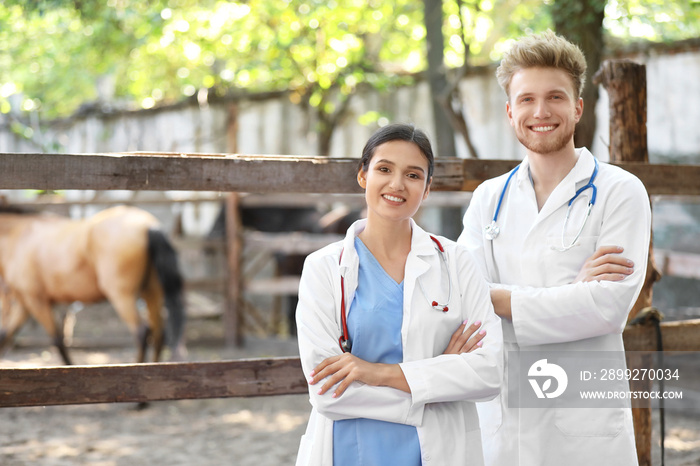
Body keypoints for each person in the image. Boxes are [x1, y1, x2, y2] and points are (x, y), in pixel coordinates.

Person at [457, 31, 651, 465]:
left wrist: (502, 299)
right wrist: (570, 294)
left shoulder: (621, 191)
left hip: (583, 424)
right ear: (510, 112)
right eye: (526, 99)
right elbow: (462, 299)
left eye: (555, 97)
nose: (540, 112)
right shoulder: (489, 198)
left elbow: (606, 308)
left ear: (578, 107)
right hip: (504, 417)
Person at [295, 123, 503, 466]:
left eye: (413, 175)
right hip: (350, 451)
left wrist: (376, 372)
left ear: (427, 187)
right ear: (363, 175)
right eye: (384, 169)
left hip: (438, 451)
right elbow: (328, 394)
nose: (397, 184)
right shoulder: (324, 268)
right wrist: (438, 382)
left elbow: (489, 373)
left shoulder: (456, 262)